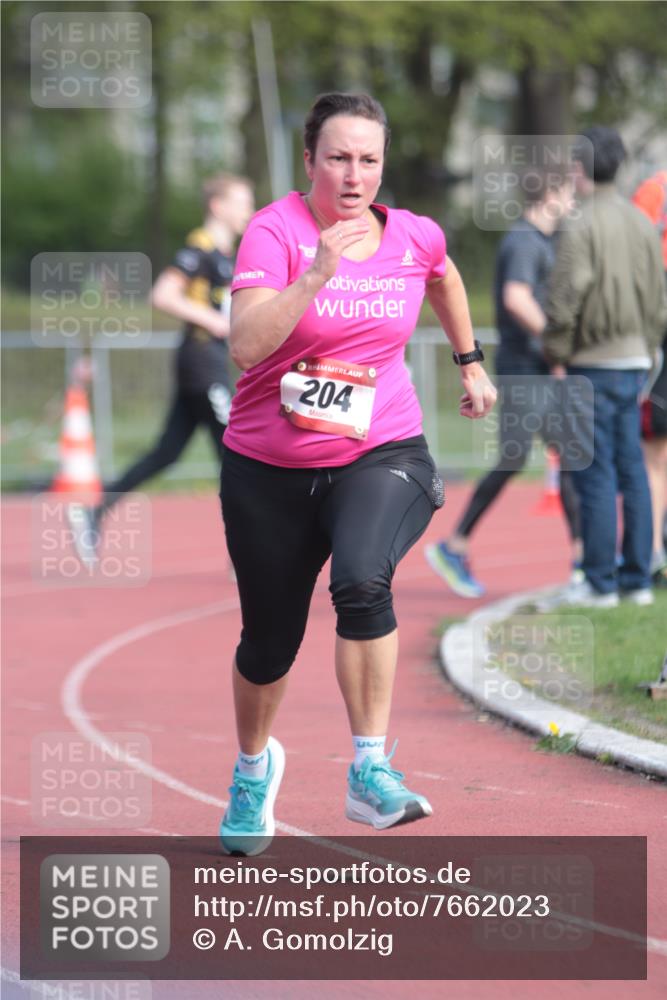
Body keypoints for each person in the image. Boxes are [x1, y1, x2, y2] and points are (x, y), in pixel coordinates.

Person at [218, 92, 497, 856]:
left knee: (362, 579)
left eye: (367, 159)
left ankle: (369, 769)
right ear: (308, 161)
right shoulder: (274, 232)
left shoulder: (412, 234)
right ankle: (252, 769)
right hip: (266, 467)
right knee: (267, 644)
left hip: (380, 449)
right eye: (337, 157)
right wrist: (315, 275)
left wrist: (468, 361)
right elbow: (244, 345)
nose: (353, 174)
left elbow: (442, 276)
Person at [68, 173, 255, 562]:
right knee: (238, 453)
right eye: (241, 202)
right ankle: (249, 553)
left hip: (205, 363)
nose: (248, 211)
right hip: (202, 365)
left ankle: (93, 513)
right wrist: (211, 319)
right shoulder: (199, 248)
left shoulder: (226, 257)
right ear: (217, 206)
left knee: (167, 452)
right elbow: (163, 294)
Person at [425, 168, 581, 597]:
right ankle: (454, 545)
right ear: (549, 193)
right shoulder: (523, 241)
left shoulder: (544, 241)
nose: (573, 200)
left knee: (569, 456)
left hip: (540, 369)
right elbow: (516, 298)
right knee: (516, 459)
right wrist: (557, 344)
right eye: (568, 192)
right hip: (523, 370)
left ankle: (585, 560)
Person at [542, 126, 667, 608]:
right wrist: (649, 348)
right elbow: (658, 298)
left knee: (594, 472)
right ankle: (637, 578)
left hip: (592, 362)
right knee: (632, 468)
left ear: (579, 169)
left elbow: (565, 296)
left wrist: (557, 350)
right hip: (636, 359)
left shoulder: (580, 222)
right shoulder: (642, 222)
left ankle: (599, 582)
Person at [632, 171, 667, 586]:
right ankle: (656, 550)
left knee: (655, 461)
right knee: (656, 457)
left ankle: (654, 551)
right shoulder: (655, 188)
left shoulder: (654, 187)